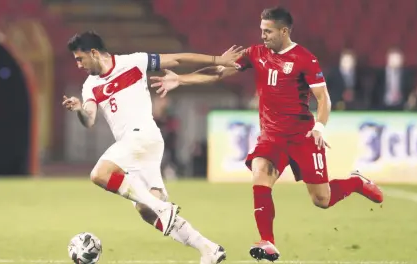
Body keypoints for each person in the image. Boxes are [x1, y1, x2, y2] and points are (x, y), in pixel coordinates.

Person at [150, 7, 384, 262]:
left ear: (284, 31)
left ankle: (356, 182)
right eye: (261, 30)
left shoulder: (305, 59)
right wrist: (181, 80)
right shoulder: (255, 53)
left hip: (302, 136)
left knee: (322, 199)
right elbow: (219, 72)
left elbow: (323, 98)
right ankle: (267, 241)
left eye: (268, 31)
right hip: (271, 136)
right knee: (260, 173)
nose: (263, 36)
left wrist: (319, 127)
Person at [62, 31, 242, 264]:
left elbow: (176, 59)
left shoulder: (133, 62)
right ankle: (208, 249)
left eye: (79, 58)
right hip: (136, 147)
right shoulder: (90, 86)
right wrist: (78, 109)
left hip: (143, 136)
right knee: (146, 212)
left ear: (94, 53)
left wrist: (217, 60)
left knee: (100, 174)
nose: (78, 65)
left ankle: (161, 207)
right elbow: (90, 120)